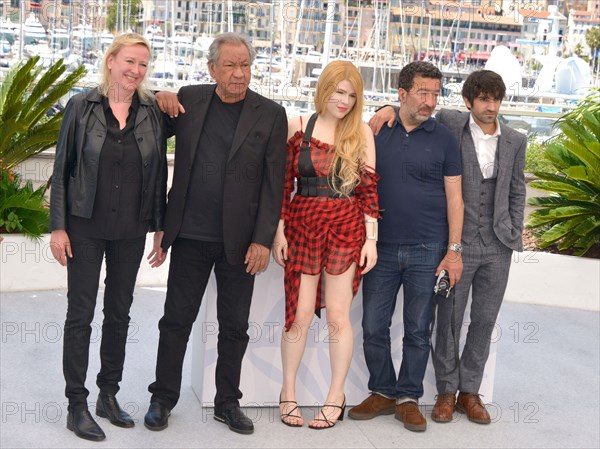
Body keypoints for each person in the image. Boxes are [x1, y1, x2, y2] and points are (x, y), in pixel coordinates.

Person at [142, 33, 288, 435]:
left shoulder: (271, 114)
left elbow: (274, 184)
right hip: (189, 234)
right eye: (230, 65)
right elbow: (144, 118)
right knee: (175, 321)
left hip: (241, 243)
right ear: (212, 69)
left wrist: (262, 239)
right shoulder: (191, 98)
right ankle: (162, 398)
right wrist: (159, 93)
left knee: (234, 326)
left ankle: (227, 402)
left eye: (245, 65)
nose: (239, 74)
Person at [370, 70, 527, 425]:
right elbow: (410, 107)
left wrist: (513, 229)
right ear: (468, 102)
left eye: (496, 100)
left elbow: (517, 190)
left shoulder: (516, 140)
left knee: (484, 321)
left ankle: (470, 392)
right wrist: (386, 108)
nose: (491, 107)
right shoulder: (450, 123)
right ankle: (445, 391)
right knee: (448, 322)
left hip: (498, 246)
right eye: (484, 99)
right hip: (456, 244)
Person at [49, 33, 167, 442]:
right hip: (84, 226)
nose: (136, 71)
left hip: (131, 229)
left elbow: (160, 173)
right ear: (112, 60)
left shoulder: (151, 110)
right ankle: (76, 405)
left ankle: (107, 395)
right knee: (80, 316)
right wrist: (58, 226)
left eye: (143, 65)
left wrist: (159, 227)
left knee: (119, 314)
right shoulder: (82, 106)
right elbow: (62, 168)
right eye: (129, 62)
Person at [348, 61, 464, 432]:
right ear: (401, 94)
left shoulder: (445, 138)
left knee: (417, 328)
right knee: (372, 326)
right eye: (422, 92)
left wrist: (453, 251)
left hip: (428, 248)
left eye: (435, 93)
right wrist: (382, 111)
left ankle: (409, 397)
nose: (430, 101)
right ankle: (382, 390)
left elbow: (455, 199)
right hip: (378, 246)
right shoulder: (377, 131)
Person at [272, 60, 380, 430]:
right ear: (324, 89)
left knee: (337, 316)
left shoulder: (362, 132)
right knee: (300, 315)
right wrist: (278, 230)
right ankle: (288, 392)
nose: (344, 100)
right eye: (338, 91)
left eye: (351, 95)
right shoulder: (299, 126)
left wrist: (372, 239)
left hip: (345, 227)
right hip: (302, 224)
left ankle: (336, 395)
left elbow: (369, 190)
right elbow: (283, 184)